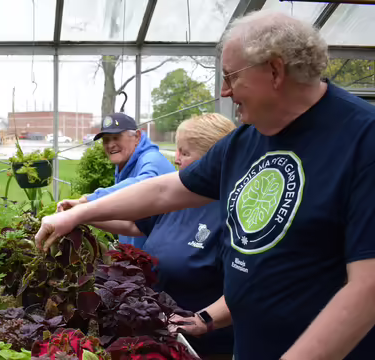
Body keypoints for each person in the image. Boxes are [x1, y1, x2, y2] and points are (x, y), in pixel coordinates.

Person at [34, 10, 375, 360]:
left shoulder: (363, 139)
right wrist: (80, 214)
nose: (225, 91)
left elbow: (368, 289)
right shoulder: (247, 139)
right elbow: (166, 190)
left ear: (274, 70)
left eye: (230, 77)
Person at [82, 113, 236, 359]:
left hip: (205, 348)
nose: (175, 159)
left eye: (184, 153)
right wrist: (81, 215)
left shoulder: (231, 213)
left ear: (213, 160)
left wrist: (203, 320)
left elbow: (247, 287)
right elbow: (135, 225)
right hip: (163, 340)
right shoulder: (179, 197)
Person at [58, 112, 176, 247]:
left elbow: (142, 186)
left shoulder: (152, 160)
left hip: (162, 261)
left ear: (137, 136)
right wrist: (80, 213)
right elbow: (132, 225)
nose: (110, 145)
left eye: (116, 137)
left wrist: (86, 200)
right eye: (106, 140)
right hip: (137, 261)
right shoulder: (126, 164)